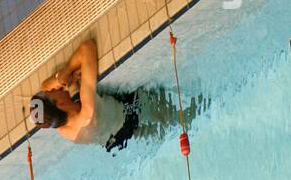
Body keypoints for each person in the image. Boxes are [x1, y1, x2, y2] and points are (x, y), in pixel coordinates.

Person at [30, 40, 203, 152]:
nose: (51, 90)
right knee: (173, 113)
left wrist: (61, 79)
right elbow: (88, 48)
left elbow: (46, 86)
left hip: (113, 139)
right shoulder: (87, 111)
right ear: (59, 104)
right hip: (130, 115)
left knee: (158, 129)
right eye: (51, 95)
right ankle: (202, 108)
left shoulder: (58, 124)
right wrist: (67, 72)